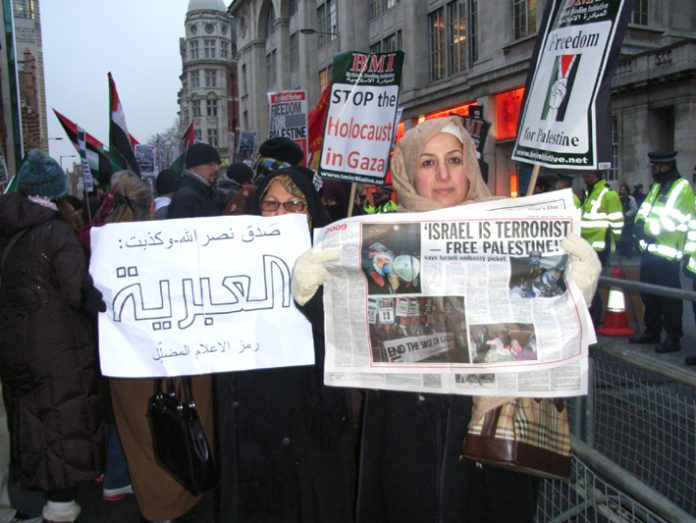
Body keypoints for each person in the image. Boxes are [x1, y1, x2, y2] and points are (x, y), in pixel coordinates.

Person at [291, 116, 601, 523]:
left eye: (454, 160)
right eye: (427, 162)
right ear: (407, 172)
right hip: (405, 437)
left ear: (470, 166)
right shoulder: (381, 240)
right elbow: (352, 331)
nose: (442, 175)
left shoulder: (512, 231)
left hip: (485, 442)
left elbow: (549, 328)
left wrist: (577, 292)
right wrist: (313, 295)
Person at [216, 166, 356, 522]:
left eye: (294, 204)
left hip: (313, 414)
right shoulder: (230, 261)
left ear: (310, 210)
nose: (280, 214)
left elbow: (353, 336)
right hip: (254, 415)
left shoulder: (335, 258)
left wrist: (314, 300)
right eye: (271, 204)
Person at [102, 173, 215, 522]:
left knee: (141, 435)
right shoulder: (171, 243)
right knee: (177, 425)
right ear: (150, 207)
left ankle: (156, 504)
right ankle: (176, 498)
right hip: (176, 356)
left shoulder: (99, 243)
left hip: (126, 364)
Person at [0, 150, 104, 523]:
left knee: (30, 421)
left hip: (15, 346)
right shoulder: (56, 231)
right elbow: (76, 290)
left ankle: (33, 499)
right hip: (58, 348)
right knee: (64, 419)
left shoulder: (8, 227)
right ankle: (61, 505)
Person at [629, 150, 694, 354]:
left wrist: (645, 229)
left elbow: (671, 220)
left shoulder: (681, 188)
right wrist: (639, 225)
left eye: (655, 167)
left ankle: (673, 337)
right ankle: (652, 330)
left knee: (669, 298)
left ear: (665, 166)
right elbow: (643, 211)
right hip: (650, 252)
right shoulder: (657, 186)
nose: (653, 171)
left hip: (667, 254)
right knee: (649, 294)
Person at [579, 169, 623, 326]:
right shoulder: (589, 192)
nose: (583, 177)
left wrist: (619, 242)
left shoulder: (608, 194)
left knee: (591, 286)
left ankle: (594, 320)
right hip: (586, 247)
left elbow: (617, 221)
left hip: (599, 248)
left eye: (585, 174)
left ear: (593, 175)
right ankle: (591, 320)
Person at [167, 142, 221, 218]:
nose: (216, 168)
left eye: (217, 164)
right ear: (194, 166)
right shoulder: (185, 197)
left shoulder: (205, 193)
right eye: (210, 163)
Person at [618, 182, 638, 258]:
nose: (622, 192)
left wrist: (626, 215)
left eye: (624, 190)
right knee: (622, 237)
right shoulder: (619, 198)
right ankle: (622, 252)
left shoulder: (631, 199)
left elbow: (634, 209)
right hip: (621, 221)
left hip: (629, 221)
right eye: (621, 190)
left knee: (628, 238)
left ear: (627, 191)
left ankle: (628, 253)